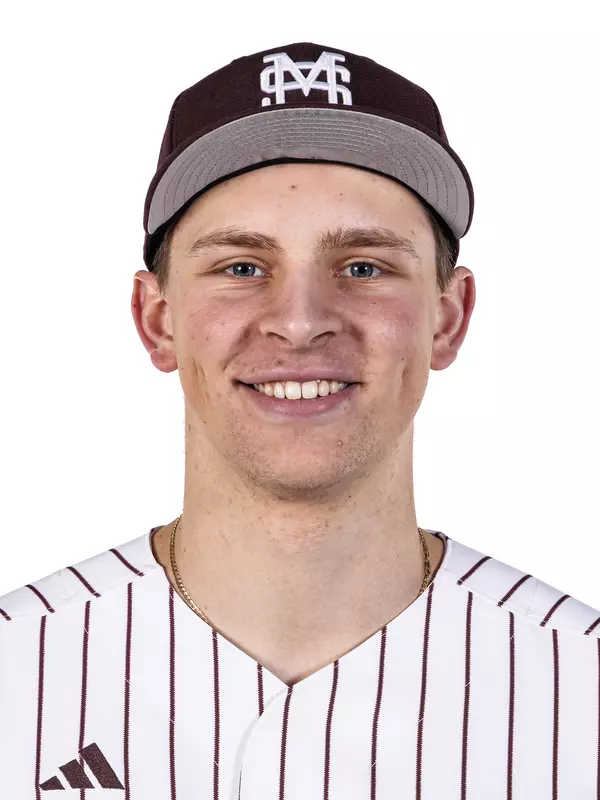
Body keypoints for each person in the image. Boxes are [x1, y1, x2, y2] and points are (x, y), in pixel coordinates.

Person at [1, 42, 598, 800]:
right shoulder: (17, 672)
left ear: (448, 320)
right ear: (157, 320)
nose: (301, 321)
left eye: (365, 266)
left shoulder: (580, 690)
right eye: (241, 267)